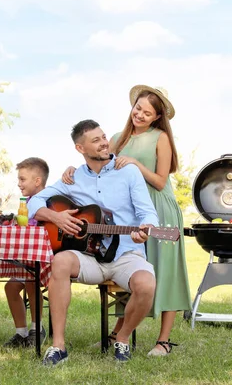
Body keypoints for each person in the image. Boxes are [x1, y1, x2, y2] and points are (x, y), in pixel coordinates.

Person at [62, 85, 191, 357]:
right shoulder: (119, 137)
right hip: (126, 213)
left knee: (164, 272)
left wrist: (134, 164)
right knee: (130, 269)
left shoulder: (161, 138)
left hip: (158, 208)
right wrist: (74, 170)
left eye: (147, 113)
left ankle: (163, 340)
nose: (140, 115)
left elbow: (159, 181)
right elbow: (101, 165)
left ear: (157, 117)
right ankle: (118, 335)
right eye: (138, 109)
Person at [28, 119, 158, 365]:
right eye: (95, 140)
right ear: (80, 149)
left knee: (147, 285)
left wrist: (147, 228)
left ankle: (121, 337)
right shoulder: (73, 178)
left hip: (126, 254)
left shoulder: (128, 171)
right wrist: (56, 217)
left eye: (104, 137)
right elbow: (34, 201)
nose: (104, 143)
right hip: (89, 256)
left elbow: (147, 212)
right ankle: (59, 346)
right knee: (60, 262)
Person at [3, 157, 50, 348]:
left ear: (37, 181)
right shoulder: (27, 202)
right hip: (31, 261)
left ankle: (37, 329)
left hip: (48, 261)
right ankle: (21, 333)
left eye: (23, 179)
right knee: (11, 287)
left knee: (31, 279)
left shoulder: (47, 200)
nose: (19, 183)